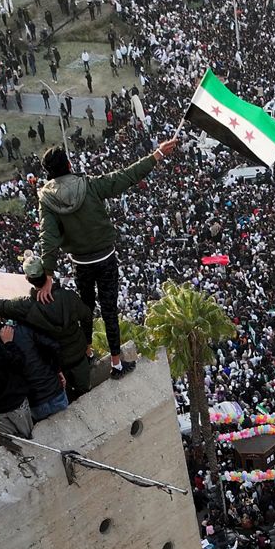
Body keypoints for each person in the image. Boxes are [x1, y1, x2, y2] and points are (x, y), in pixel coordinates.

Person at [36, 138, 178, 379]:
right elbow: (125, 177)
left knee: (87, 308)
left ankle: (88, 350)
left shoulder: (47, 200)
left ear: (48, 173)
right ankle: (116, 363)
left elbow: (48, 238)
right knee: (109, 310)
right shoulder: (88, 185)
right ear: (69, 165)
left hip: (81, 262)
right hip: (105, 257)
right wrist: (156, 155)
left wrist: (47, 275)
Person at [0, 254, 94, 399]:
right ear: (47, 273)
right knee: (86, 393)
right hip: (79, 356)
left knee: (68, 401)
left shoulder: (24, 306)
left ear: (27, 279)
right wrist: (87, 343)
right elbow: (87, 318)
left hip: (54, 366)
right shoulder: (68, 296)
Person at [0, 306, 69, 421]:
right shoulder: (22, 329)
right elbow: (53, 346)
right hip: (53, 389)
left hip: (34, 401)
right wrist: (57, 370)